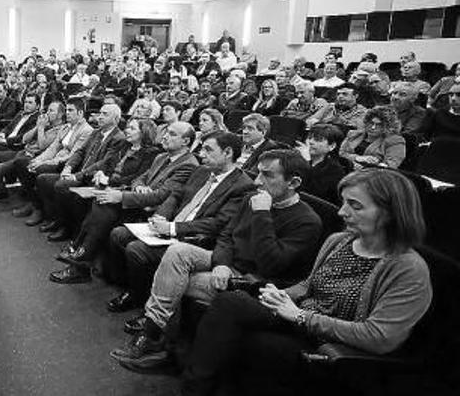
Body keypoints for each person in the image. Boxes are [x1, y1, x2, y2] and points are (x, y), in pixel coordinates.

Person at [177, 169, 432, 396]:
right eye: (344, 203)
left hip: (331, 342)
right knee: (230, 302)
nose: (342, 212)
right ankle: (196, 387)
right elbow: (310, 285)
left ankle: (199, 386)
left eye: (355, 206)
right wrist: (280, 295)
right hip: (298, 317)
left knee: (250, 341)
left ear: (390, 213)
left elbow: (379, 337)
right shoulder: (339, 240)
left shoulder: (408, 268)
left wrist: (300, 316)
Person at [111, 150, 323, 372]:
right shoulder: (253, 198)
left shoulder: (307, 221)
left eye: (267, 175)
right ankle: (153, 332)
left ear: (294, 182)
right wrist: (221, 263)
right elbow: (227, 235)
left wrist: (262, 215)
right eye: (258, 173)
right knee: (177, 251)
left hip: (253, 280)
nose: (258, 181)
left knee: (176, 282)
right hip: (229, 263)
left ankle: (166, 349)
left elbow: (270, 264)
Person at [106, 132, 256, 308]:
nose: (202, 154)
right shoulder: (202, 171)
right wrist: (162, 215)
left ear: (228, 152)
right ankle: (132, 286)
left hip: (196, 239)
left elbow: (217, 224)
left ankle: (138, 297)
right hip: (171, 226)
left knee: (136, 249)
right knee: (118, 234)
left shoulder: (243, 185)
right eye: (202, 149)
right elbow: (176, 196)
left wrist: (172, 227)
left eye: (208, 150)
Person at [48, 120, 192, 285]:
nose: (165, 136)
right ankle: (80, 256)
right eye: (166, 132)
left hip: (155, 213)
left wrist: (122, 196)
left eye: (172, 134)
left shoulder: (187, 164)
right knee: (101, 202)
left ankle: (80, 259)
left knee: (105, 205)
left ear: (186, 141)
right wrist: (140, 187)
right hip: (139, 200)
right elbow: (140, 178)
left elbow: (161, 196)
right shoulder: (162, 156)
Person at [36, 104, 126, 242]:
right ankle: (55, 218)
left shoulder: (118, 138)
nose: (100, 116)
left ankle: (66, 227)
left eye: (105, 114)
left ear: (115, 119)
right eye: (100, 113)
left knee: (62, 185)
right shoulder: (96, 132)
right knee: (43, 179)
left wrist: (76, 175)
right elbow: (80, 151)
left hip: (94, 177)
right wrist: (68, 167)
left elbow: (104, 163)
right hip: (80, 172)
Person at [0, 101, 68, 217]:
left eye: (51, 110)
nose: (47, 113)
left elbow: (43, 145)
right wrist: (38, 127)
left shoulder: (60, 130)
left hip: (32, 157)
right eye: (48, 110)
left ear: (60, 115)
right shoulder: (46, 125)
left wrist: (41, 128)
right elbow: (25, 139)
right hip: (22, 151)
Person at [21, 99, 93, 226]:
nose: (67, 113)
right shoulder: (66, 127)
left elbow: (73, 155)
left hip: (67, 165)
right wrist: (39, 160)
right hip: (56, 159)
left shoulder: (86, 130)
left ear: (81, 113)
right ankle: (36, 205)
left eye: (71, 110)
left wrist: (47, 163)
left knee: (39, 171)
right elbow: (53, 148)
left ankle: (42, 211)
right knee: (27, 164)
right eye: (66, 110)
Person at [340, 106, 406, 169]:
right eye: (371, 123)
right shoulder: (354, 134)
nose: (373, 127)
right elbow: (341, 154)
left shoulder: (395, 141)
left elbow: (390, 166)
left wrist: (366, 166)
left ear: (388, 127)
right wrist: (357, 158)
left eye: (379, 125)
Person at [296, 123, 347, 205]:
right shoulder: (298, 158)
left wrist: (305, 162)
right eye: (309, 138)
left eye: (318, 139)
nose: (311, 142)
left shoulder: (335, 171)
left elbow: (311, 193)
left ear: (332, 146)